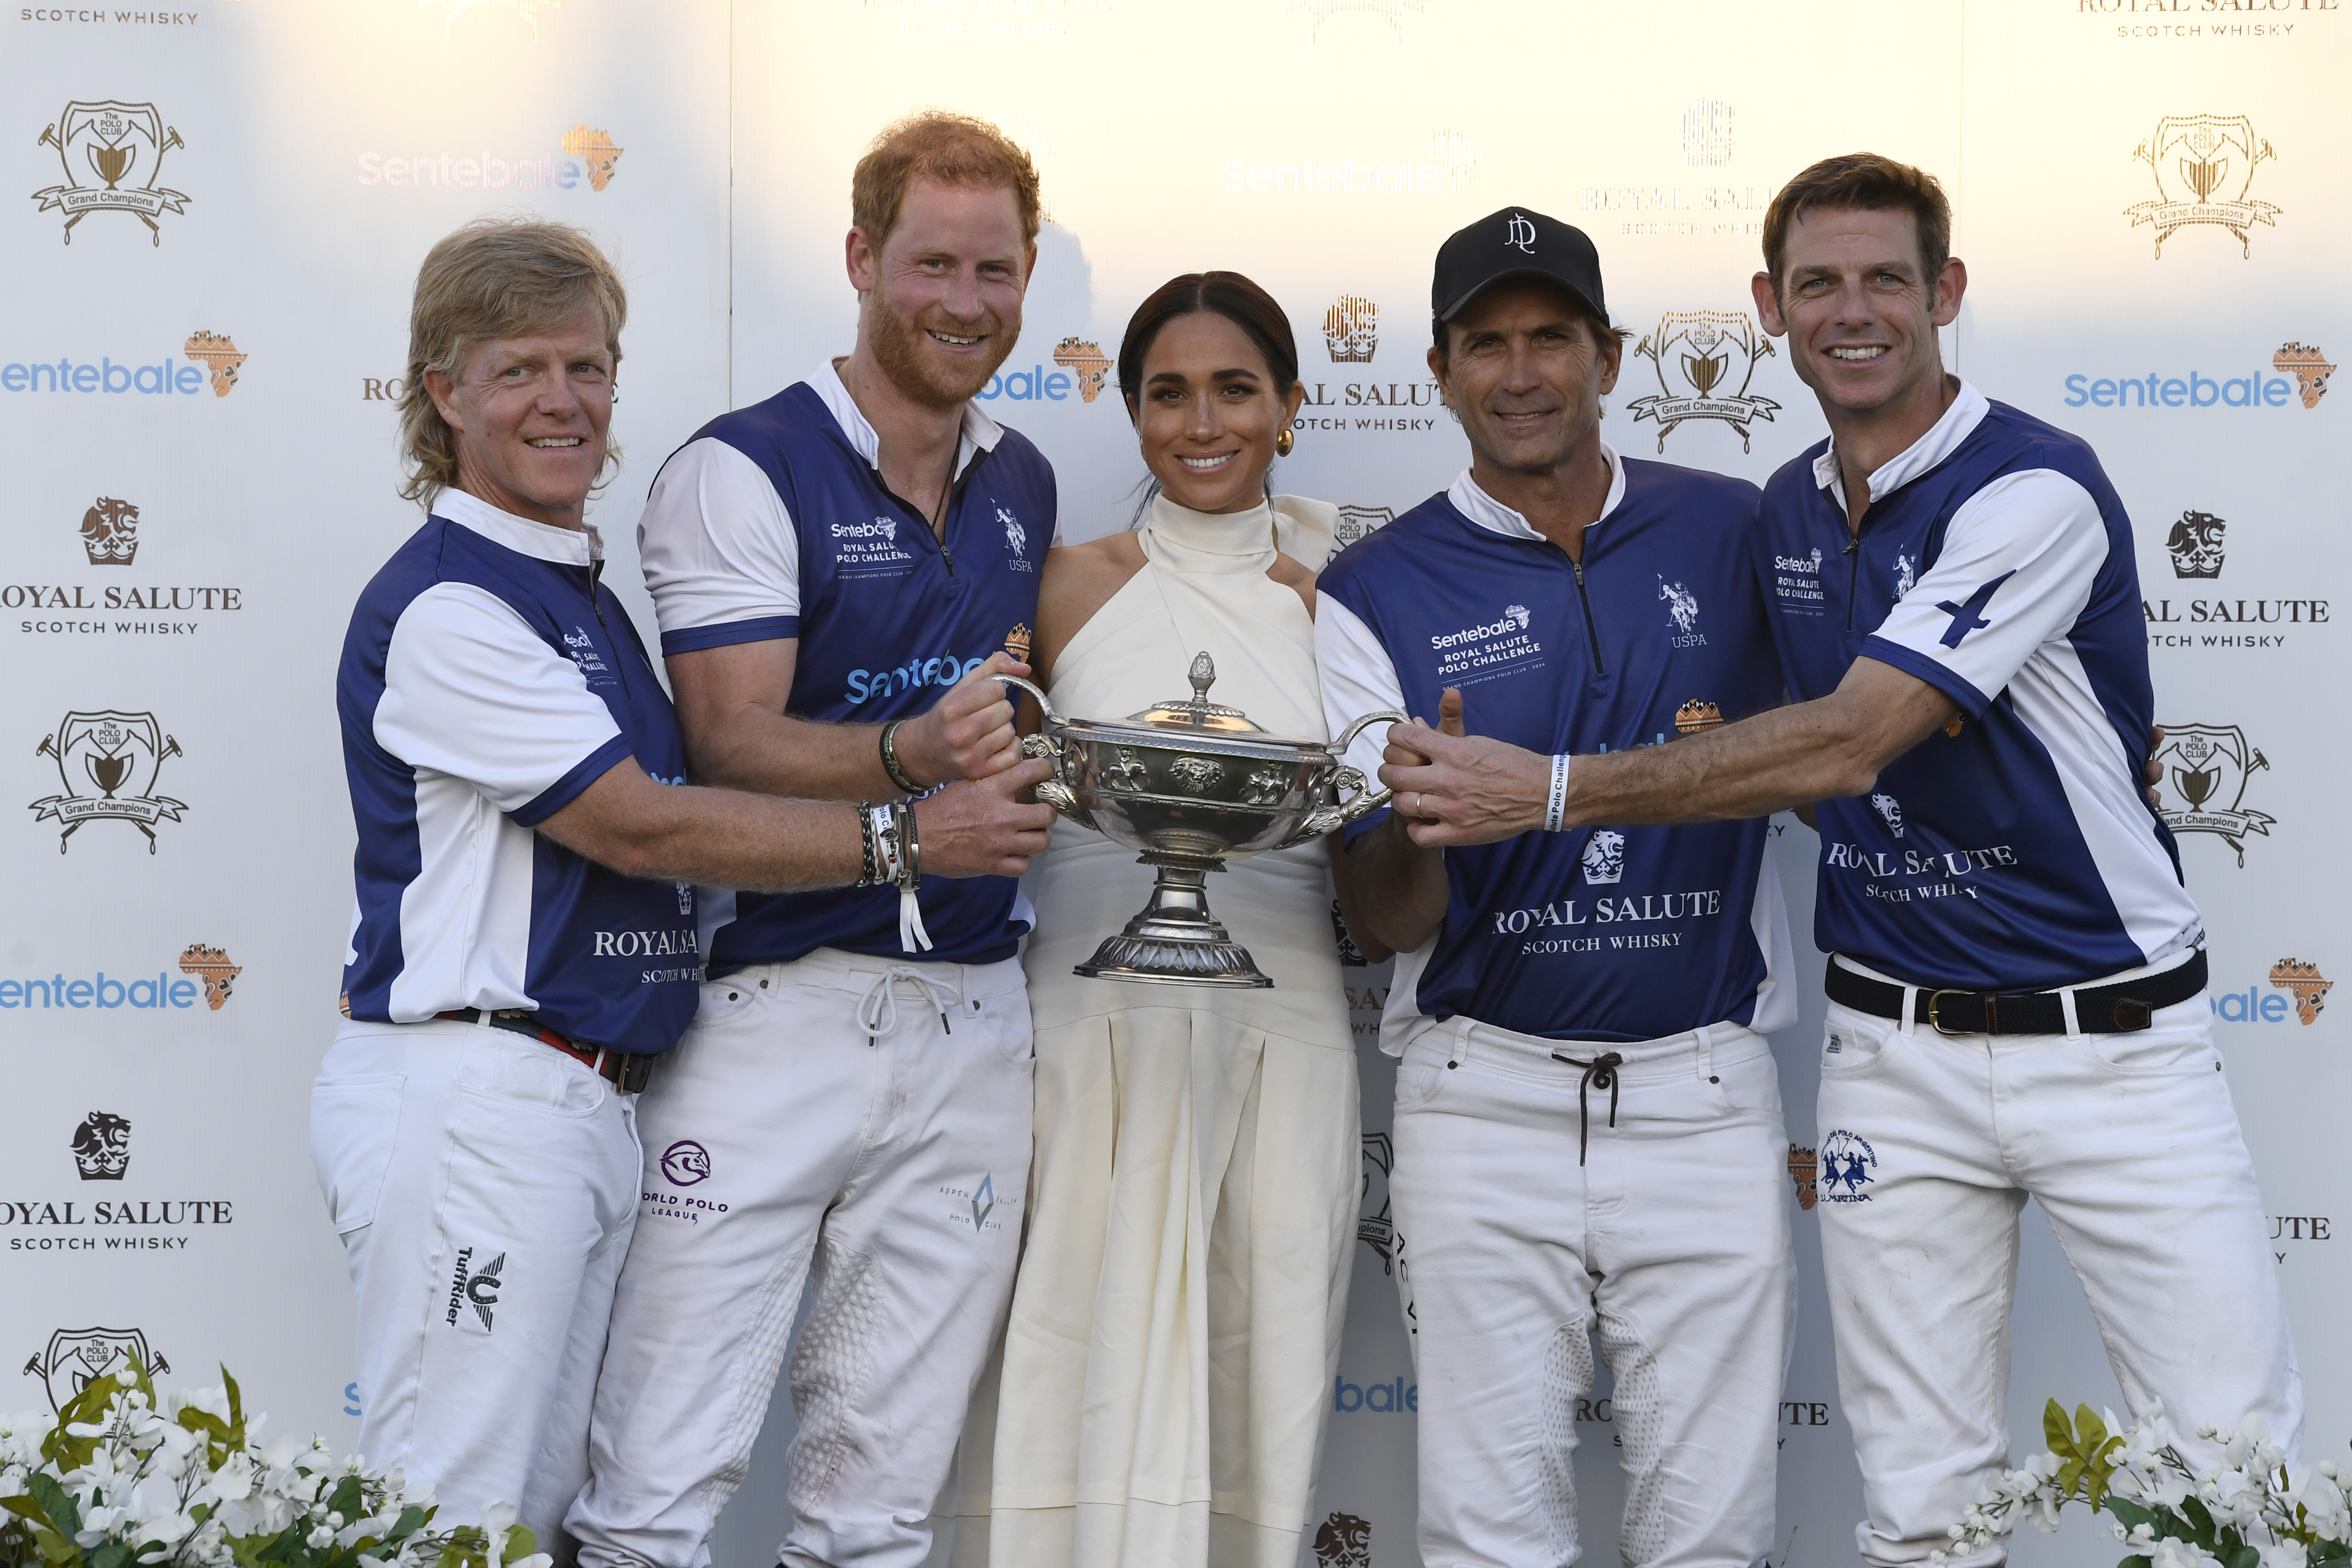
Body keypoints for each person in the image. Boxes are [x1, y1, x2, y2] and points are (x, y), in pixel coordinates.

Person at [1378, 156, 2303, 1568]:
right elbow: (1764, 748)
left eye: (1886, 279)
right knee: (1924, 1507)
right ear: (1770, 305)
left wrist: (1553, 790)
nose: (1852, 311)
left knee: (2228, 1483)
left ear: (1947, 292)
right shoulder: (1787, 513)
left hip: (2114, 1040)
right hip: (1894, 1054)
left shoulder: (2035, 487)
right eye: (1818, 283)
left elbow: (1855, 741)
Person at [316, 218, 1050, 1558]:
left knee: (522, 1524)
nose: (563, 402)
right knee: (446, 1526)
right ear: (442, 393)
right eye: (521, 370)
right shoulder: (449, 605)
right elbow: (641, 830)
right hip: (481, 1093)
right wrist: (908, 839)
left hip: (584, 1099)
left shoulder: (572, 591)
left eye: (587, 369)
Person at [564, 113, 1060, 1568]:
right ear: (861, 258)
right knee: (656, 1489)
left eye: (997, 270)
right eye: (932, 264)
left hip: (976, 1020)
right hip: (777, 1007)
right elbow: (730, 741)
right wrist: (919, 774)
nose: (966, 302)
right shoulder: (742, 466)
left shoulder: (1022, 475)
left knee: (877, 1513)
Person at [1313, 207, 1798, 1568]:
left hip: (1703, 1092)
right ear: (1438, 369)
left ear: (1611, 355)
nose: (1521, 374)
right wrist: (1427, 822)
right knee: (1487, 1537)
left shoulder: (1737, 528)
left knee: (1716, 1535)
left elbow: (1836, 741)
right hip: (1485, 1102)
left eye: (1550, 340)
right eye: (1487, 345)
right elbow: (1383, 919)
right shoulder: (1371, 588)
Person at [967, 272, 1362, 1568]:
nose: (1204, 421)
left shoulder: (1338, 607)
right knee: (1074, 1340)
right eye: (1169, 392)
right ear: (1132, 412)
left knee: (1262, 1345)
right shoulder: (1062, 586)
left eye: (1236, 389)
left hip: (1282, 1019)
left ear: (1291, 409)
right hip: (1085, 1021)